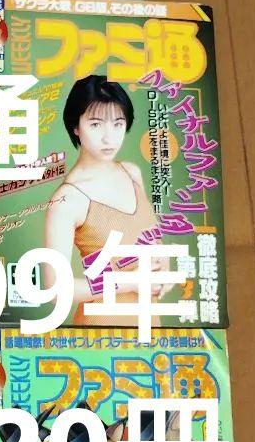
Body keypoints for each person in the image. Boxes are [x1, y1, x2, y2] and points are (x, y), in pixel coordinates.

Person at [43, 75, 164, 325]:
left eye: (118, 124)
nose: (109, 138)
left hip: (151, 327)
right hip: (100, 333)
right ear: (76, 127)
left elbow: (156, 246)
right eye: (96, 125)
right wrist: (128, 282)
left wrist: (163, 277)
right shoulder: (67, 199)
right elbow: (54, 289)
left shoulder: (132, 173)